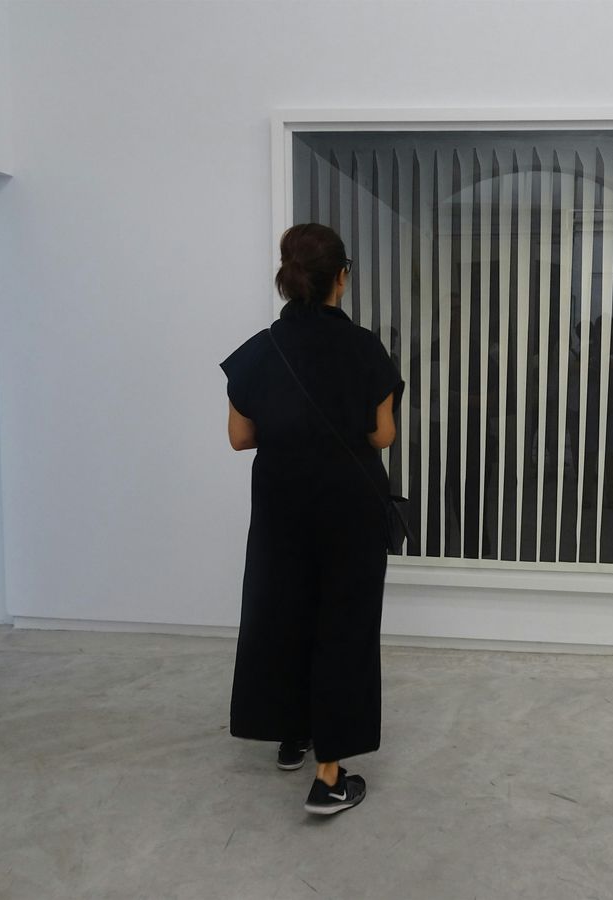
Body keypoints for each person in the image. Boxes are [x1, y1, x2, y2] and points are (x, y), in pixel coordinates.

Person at [219, 223, 403, 816]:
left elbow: (239, 437)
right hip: (349, 506)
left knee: (283, 612)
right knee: (343, 624)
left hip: (281, 505)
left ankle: (291, 735)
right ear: (341, 277)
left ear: (286, 277)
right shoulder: (366, 350)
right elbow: (382, 434)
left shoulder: (258, 351)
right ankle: (329, 778)